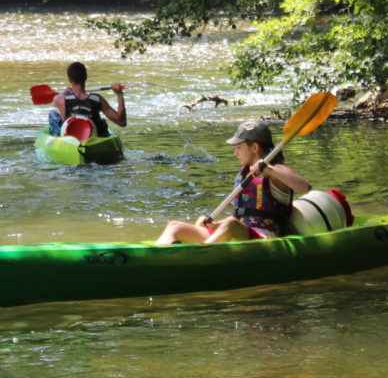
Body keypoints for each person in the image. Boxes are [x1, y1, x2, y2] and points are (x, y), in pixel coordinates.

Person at [156, 120, 311, 245]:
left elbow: (304, 187)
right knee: (177, 225)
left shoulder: (277, 171)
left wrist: (270, 170)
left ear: (254, 147)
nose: (234, 152)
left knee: (230, 224)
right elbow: (242, 217)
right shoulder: (244, 173)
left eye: (238, 147)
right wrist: (215, 224)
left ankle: (200, 255)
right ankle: (157, 257)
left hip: (267, 238)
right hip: (242, 233)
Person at [48, 62, 126, 137]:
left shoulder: (59, 99)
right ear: (85, 77)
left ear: (70, 79)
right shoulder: (97, 99)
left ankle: (57, 137)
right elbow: (122, 122)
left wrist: (64, 93)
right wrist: (119, 94)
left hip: (70, 136)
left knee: (53, 113)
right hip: (93, 135)